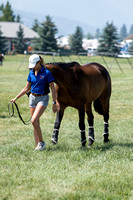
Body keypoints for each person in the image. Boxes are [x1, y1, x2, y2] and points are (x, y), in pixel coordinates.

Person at [11, 54, 57, 151]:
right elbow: (26, 88)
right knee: (35, 123)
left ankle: (41, 142)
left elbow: (53, 89)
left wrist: (54, 103)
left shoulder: (47, 73)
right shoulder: (31, 73)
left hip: (42, 98)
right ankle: (38, 147)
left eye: (34, 65)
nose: (32, 67)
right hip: (32, 98)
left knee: (34, 120)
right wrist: (16, 98)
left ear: (38, 62)